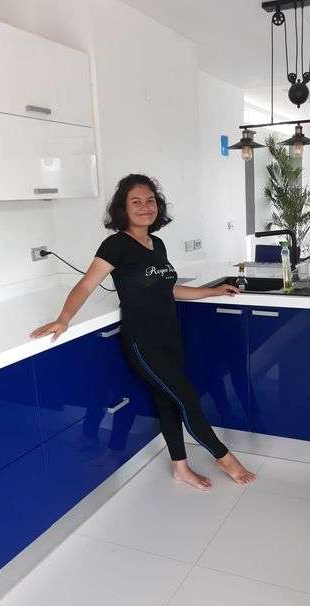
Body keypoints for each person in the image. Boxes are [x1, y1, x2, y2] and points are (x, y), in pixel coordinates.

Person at [31, 174, 256, 491]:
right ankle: (224, 458)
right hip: (143, 342)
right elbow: (86, 284)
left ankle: (180, 467)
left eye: (150, 200)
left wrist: (212, 291)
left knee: (167, 400)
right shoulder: (116, 246)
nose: (145, 206)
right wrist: (63, 318)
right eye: (136, 201)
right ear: (123, 209)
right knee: (188, 400)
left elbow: (169, 290)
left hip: (170, 337)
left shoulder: (156, 243)